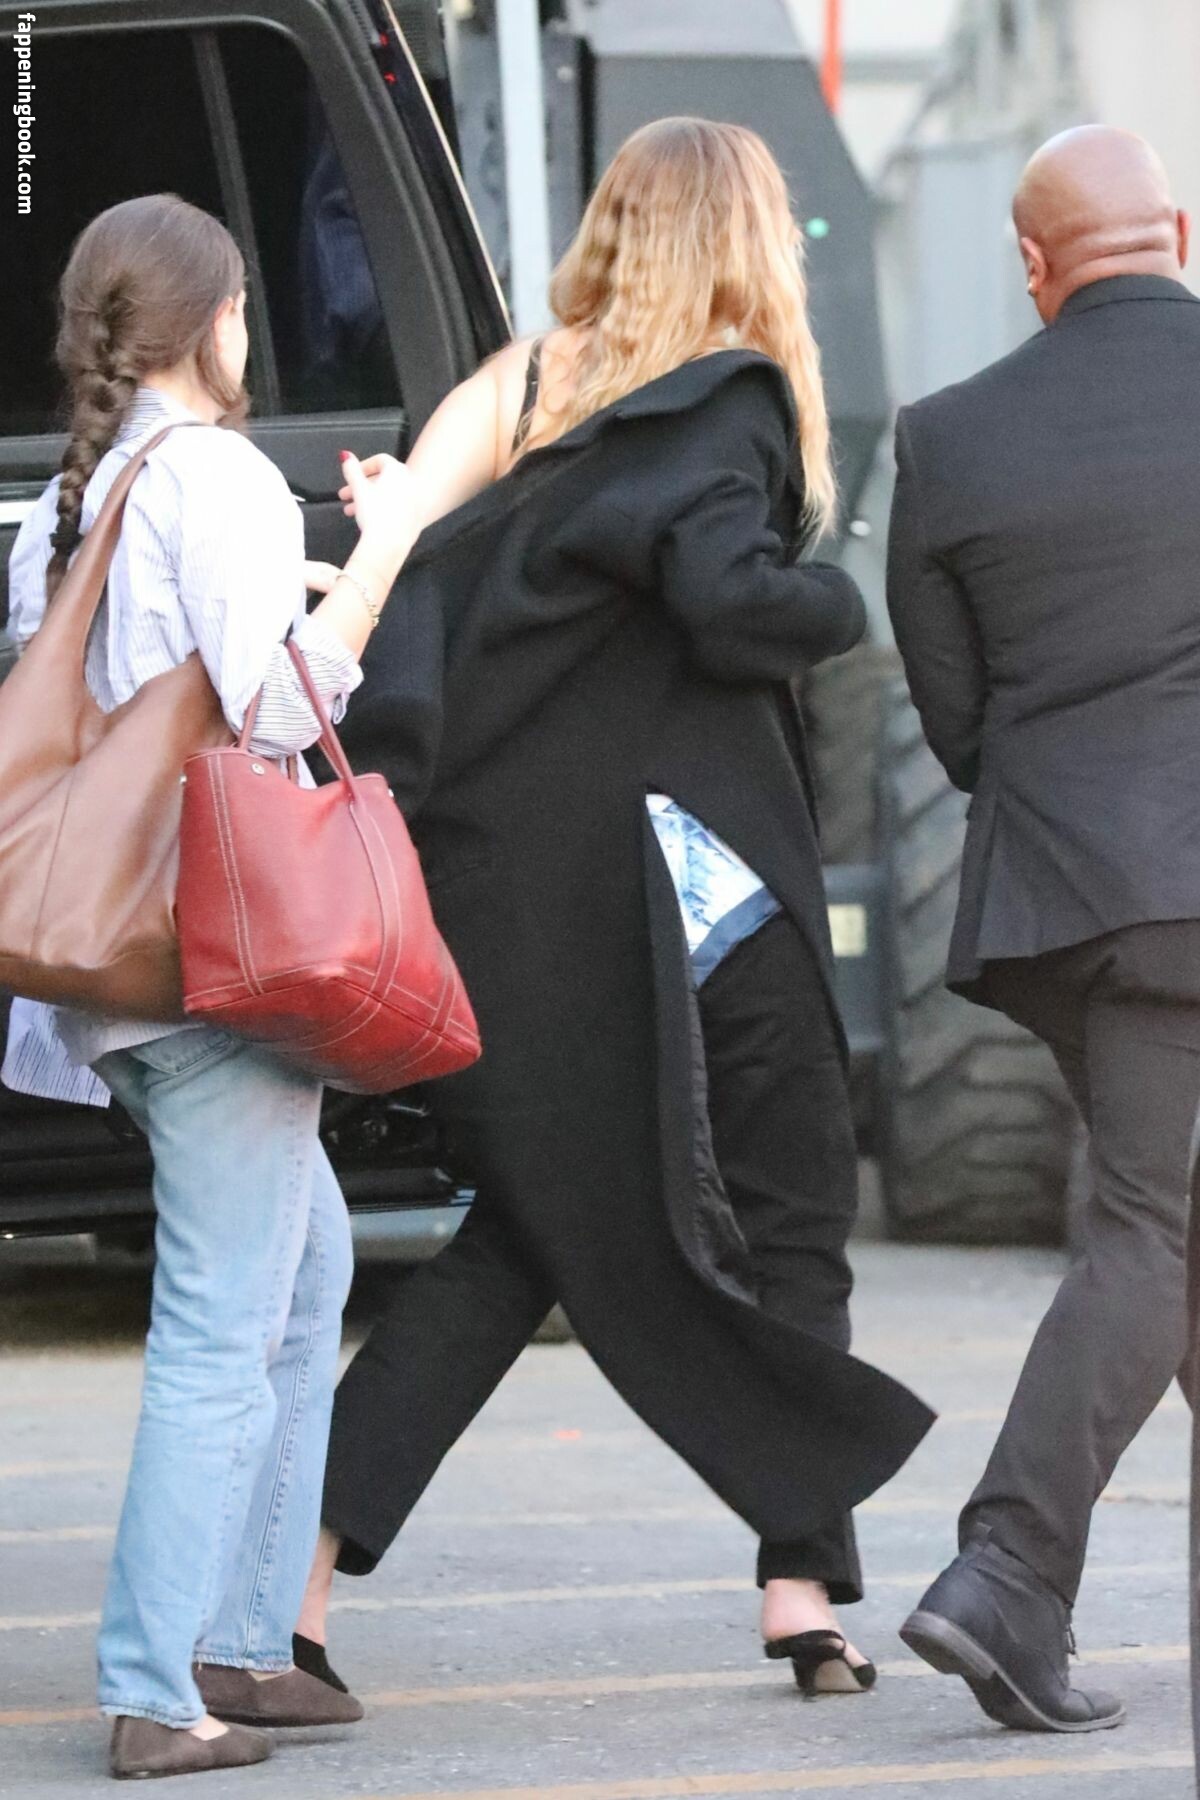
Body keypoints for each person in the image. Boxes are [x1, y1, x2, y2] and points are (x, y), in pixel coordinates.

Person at [294, 117, 934, 1699]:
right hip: (698, 884)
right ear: (750, 242)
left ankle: (286, 1591)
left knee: (524, 1234)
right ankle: (802, 1585)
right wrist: (836, 599)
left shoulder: (521, 392)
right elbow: (728, 602)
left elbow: (396, 557)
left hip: (508, 892)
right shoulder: (734, 393)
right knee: (793, 1194)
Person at [3, 193, 421, 1779]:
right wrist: (380, 555)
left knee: (305, 1270)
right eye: (245, 310)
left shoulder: (75, 500)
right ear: (216, 320)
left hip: (119, 966)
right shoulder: (221, 478)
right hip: (215, 962)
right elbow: (272, 706)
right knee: (219, 1320)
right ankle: (154, 1685)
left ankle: (244, 1642)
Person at [887, 125, 1200, 1734]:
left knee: (1171, 1227)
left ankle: (1015, 1585)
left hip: (1070, 904)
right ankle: (1006, 1573)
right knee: (1149, 1230)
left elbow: (956, 718)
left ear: (1033, 266)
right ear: (1182, 232)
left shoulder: (950, 438)